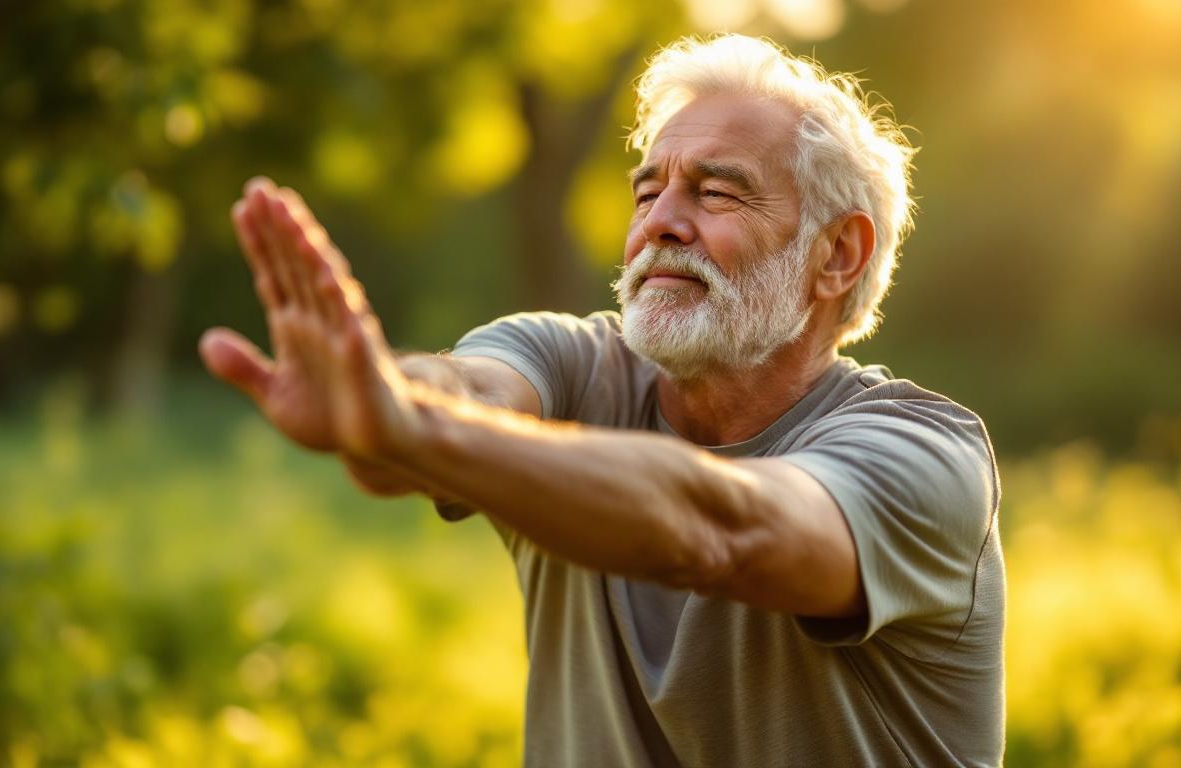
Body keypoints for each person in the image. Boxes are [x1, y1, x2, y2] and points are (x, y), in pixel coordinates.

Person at [200, 33, 1004, 768]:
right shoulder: (571, 362)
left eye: (715, 193)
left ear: (837, 254)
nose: (660, 224)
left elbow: (725, 531)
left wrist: (412, 428)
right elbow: (460, 397)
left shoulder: (926, 454)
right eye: (645, 192)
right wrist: (382, 402)